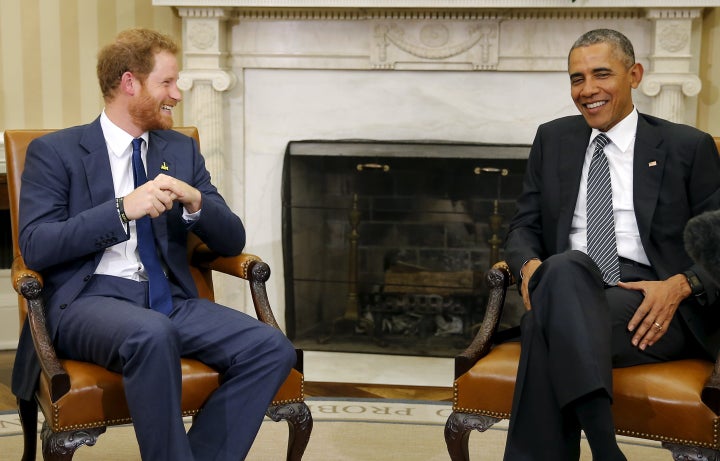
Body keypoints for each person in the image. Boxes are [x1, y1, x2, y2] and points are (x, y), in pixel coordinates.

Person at [11, 28, 296, 461]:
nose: (177, 94)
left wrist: (198, 202)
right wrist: (122, 209)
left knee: (272, 348)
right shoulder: (56, 152)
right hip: (88, 300)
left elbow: (231, 239)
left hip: (169, 297)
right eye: (167, 82)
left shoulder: (179, 150)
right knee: (152, 333)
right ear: (130, 83)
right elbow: (36, 245)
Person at [502, 29, 720, 460]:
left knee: (539, 327)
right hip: (569, 283)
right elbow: (522, 227)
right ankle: (606, 449)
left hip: (652, 302)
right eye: (576, 78)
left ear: (634, 74)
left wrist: (680, 285)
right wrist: (528, 265)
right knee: (563, 269)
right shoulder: (553, 139)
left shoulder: (686, 146)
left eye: (602, 74)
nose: (587, 90)